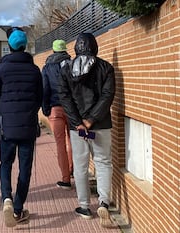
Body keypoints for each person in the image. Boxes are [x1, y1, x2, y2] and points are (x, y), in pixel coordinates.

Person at [58, 32, 115, 227]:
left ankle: (84, 206)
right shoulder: (106, 67)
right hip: (101, 124)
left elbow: (64, 98)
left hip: (77, 128)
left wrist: (78, 122)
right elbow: (108, 95)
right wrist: (91, 119)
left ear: (76, 47)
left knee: (81, 166)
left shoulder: (66, 69)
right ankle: (104, 202)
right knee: (103, 162)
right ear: (95, 46)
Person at [0, 27, 42, 228]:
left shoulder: (1, 69)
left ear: (9, 46)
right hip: (27, 126)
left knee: (5, 163)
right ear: (25, 46)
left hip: (6, 127)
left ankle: (6, 200)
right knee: (25, 167)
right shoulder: (34, 69)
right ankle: (18, 208)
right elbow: (40, 97)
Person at [41, 39, 73, 190]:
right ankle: (73, 170)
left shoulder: (47, 67)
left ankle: (65, 179)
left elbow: (44, 89)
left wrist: (46, 109)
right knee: (73, 141)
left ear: (53, 51)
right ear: (65, 50)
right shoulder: (72, 64)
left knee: (60, 143)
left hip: (55, 109)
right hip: (72, 108)